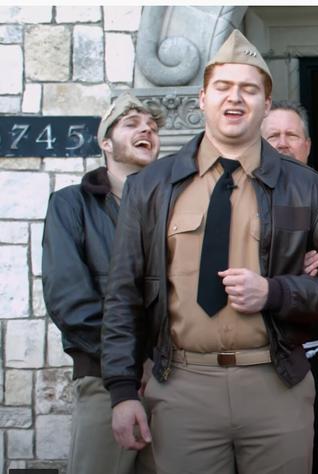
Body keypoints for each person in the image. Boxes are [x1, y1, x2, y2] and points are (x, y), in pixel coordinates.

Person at [102, 30, 318, 473]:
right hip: (182, 386)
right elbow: (123, 292)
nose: (235, 98)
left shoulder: (309, 188)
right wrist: (122, 390)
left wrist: (275, 292)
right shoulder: (150, 187)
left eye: (249, 89)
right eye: (223, 87)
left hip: (276, 384)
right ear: (203, 98)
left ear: (265, 103)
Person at [42, 92, 162, 474]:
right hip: (102, 381)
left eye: (152, 127)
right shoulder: (70, 204)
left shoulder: (174, 206)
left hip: (170, 384)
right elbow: (69, 300)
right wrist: (130, 362)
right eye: (132, 124)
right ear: (106, 143)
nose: (146, 130)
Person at [261, 100, 318, 474]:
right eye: (272, 135)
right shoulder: (236, 199)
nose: (282, 143)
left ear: (307, 145)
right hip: (261, 361)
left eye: (291, 135)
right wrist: (291, 271)